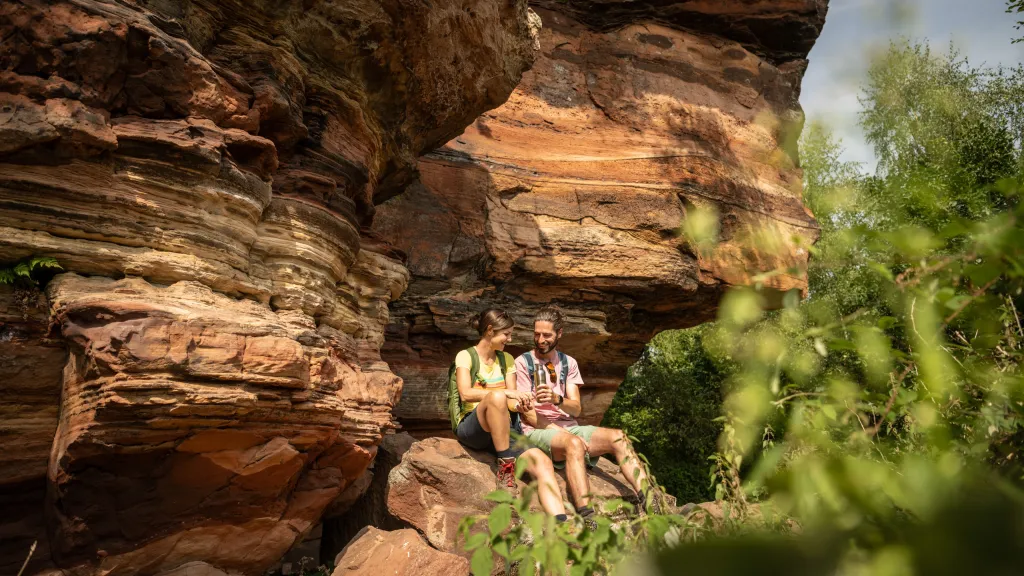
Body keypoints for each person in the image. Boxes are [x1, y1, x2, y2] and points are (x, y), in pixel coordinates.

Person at [516, 306, 657, 519]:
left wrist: (557, 399)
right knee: (573, 444)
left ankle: (651, 502)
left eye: (547, 335)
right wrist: (565, 434)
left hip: (567, 426)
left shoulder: (568, 363)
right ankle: (588, 517)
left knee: (618, 437)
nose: (540, 339)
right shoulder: (523, 363)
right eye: (537, 334)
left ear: (559, 334)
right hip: (538, 428)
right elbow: (527, 415)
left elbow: (575, 407)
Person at [451, 308, 569, 521]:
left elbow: (512, 401)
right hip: (474, 427)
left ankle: (561, 522)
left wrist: (520, 404)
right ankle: (506, 469)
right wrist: (505, 392)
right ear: (489, 331)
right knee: (496, 398)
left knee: (542, 462)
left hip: (505, 428)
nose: (510, 338)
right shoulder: (466, 356)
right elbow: (466, 394)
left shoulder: (507, 359)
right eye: (506, 334)